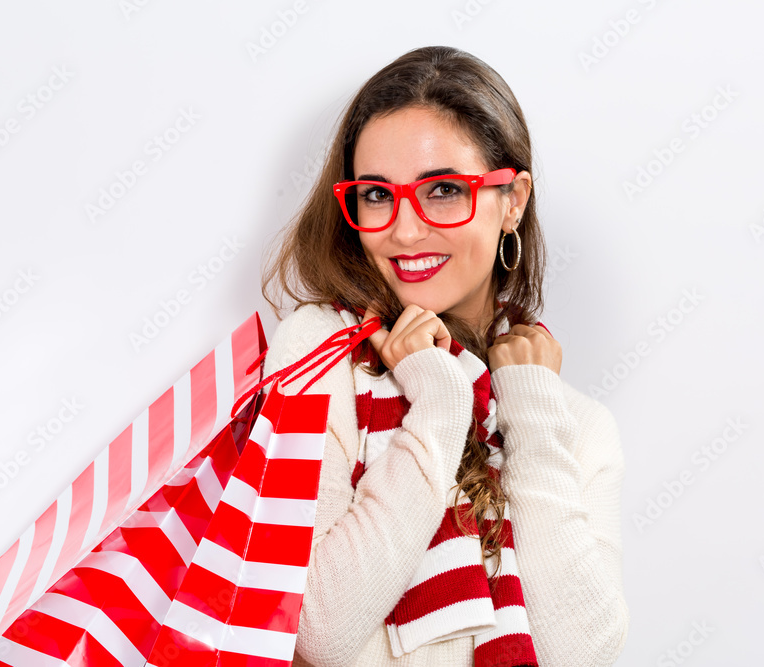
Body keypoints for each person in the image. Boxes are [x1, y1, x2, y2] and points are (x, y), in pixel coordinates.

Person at [260, 45, 628, 666]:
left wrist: (532, 420)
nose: (404, 230)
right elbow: (314, 629)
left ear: (512, 199)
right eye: (377, 196)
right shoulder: (320, 353)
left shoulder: (571, 422)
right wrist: (438, 407)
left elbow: (582, 653)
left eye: (443, 191)